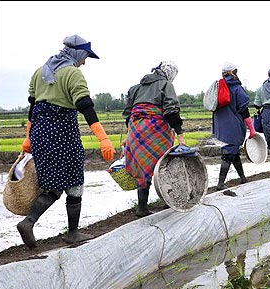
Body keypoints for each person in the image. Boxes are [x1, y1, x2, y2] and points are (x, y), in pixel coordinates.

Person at [18, 34, 116, 249]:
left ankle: (29, 222)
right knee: (74, 181)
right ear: (78, 53)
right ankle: (72, 233)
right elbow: (85, 105)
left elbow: (33, 108)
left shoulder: (40, 72)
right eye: (85, 57)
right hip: (62, 132)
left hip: (41, 134)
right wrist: (104, 138)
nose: (84, 62)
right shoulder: (72, 73)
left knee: (54, 182)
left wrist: (28, 138)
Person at [122, 60, 185, 217]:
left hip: (136, 131)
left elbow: (128, 114)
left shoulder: (135, 88)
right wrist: (180, 136)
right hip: (156, 130)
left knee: (143, 166)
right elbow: (171, 111)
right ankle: (167, 202)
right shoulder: (165, 85)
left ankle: (141, 207)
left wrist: (129, 135)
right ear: (170, 73)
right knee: (164, 164)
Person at [213, 62, 257, 189]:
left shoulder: (218, 87)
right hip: (233, 126)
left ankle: (243, 178)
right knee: (228, 153)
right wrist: (252, 129)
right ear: (234, 72)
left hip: (220, 126)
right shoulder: (237, 88)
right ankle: (220, 184)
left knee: (234, 151)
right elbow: (244, 110)